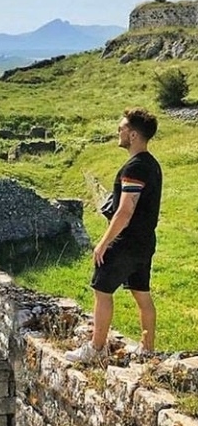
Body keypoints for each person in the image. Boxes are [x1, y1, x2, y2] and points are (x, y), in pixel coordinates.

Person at [66, 107, 162, 364]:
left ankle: (96, 349)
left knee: (101, 289)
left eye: (121, 128)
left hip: (126, 242)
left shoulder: (134, 168)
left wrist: (104, 242)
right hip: (145, 242)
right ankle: (147, 348)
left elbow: (125, 211)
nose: (118, 131)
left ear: (132, 135)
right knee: (142, 293)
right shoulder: (152, 164)